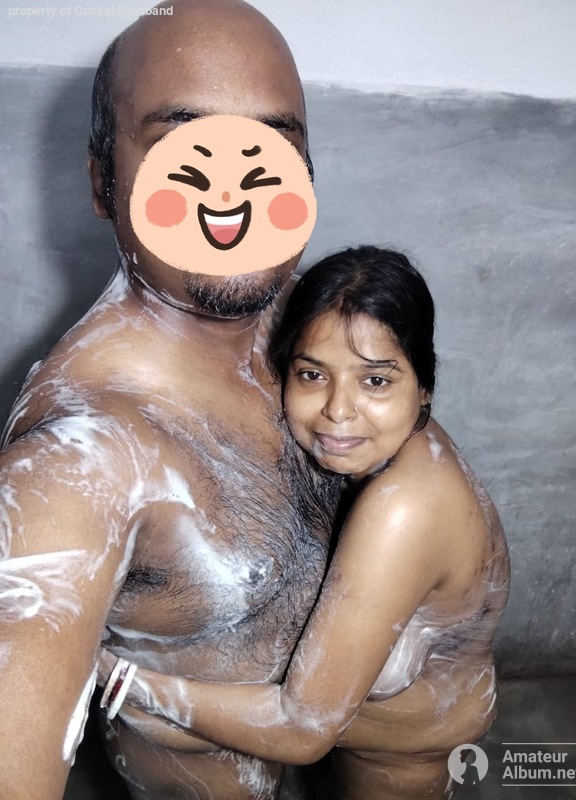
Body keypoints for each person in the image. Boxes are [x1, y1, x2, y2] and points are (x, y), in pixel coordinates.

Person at [0, 2, 341, 799]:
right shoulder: (75, 466)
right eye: (180, 144)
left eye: (272, 144)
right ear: (104, 182)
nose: (230, 186)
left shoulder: (318, 329)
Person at [98, 246, 511, 800]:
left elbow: (302, 730)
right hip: (354, 710)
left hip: (406, 741)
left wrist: (122, 680)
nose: (338, 410)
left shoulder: (407, 509)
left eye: (376, 381)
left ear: (424, 388)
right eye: (313, 374)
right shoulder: (378, 444)